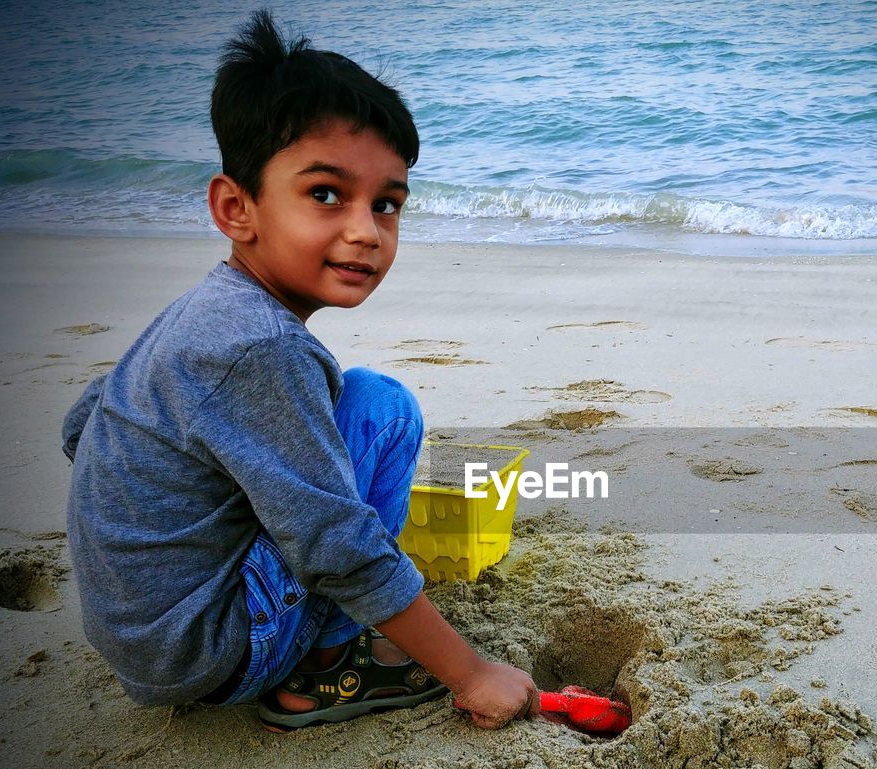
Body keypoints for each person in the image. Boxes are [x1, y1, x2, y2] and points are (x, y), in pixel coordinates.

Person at [60, 10, 539, 732]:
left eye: (387, 204)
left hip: (143, 639)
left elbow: (82, 427)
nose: (364, 231)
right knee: (380, 407)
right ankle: (325, 667)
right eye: (325, 194)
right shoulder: (262, 347)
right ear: (236, 207)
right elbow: (336, 546)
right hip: (211, 650)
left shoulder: (201, 315)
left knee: (331, 426)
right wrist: (470, 673)